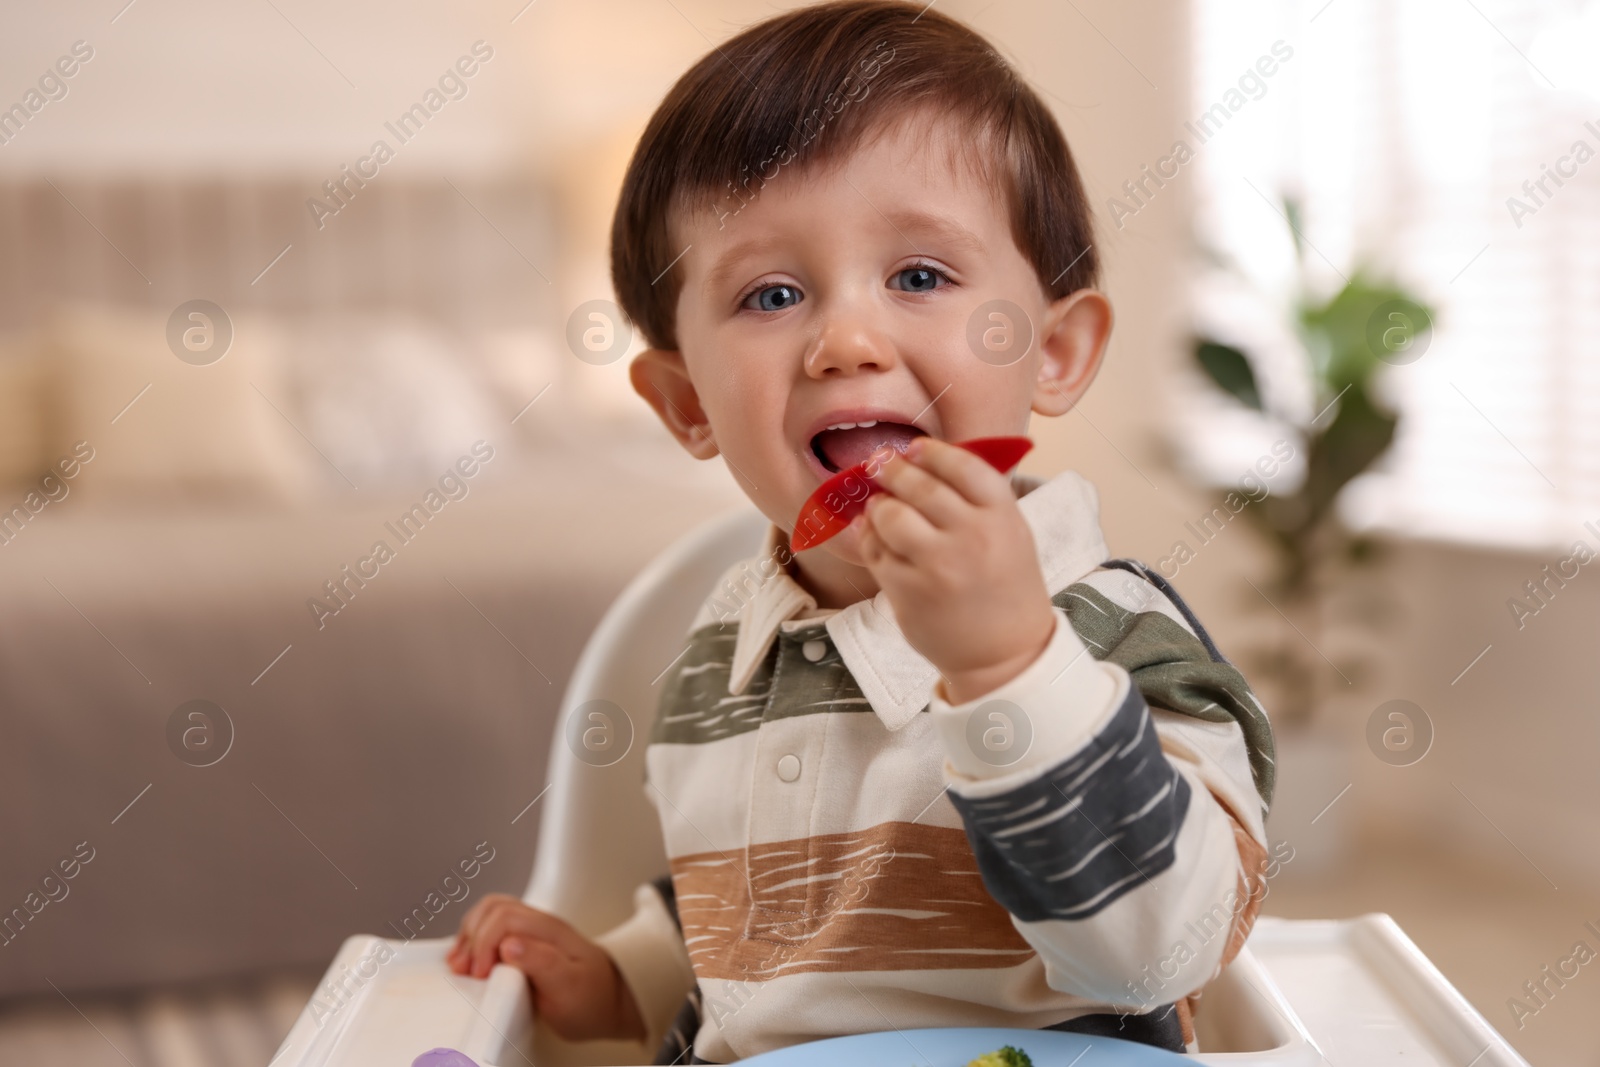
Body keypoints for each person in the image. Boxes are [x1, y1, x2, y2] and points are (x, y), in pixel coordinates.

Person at [450, 2, 1279, 1060]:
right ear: (686, 405)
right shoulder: (716, 660)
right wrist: (622, 977)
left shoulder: (1113, 632)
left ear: (1056, 351)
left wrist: (1009, 666)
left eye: (920, 276)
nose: (845, 338)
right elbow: (754, 917)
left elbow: (1166, 948)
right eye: (772, 293)